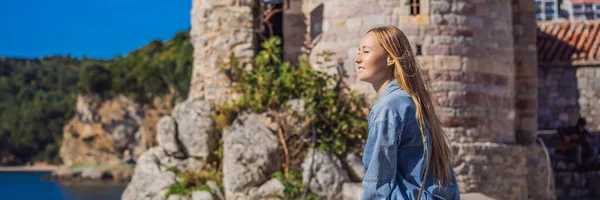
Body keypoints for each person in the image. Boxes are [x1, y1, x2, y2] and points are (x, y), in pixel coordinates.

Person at [355, 26, 459, 200]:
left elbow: (378, 180)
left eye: (366, 52)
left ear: (390, 58)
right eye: (358, 51)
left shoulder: (390, 107)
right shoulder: (414, 101)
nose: (357, 58)